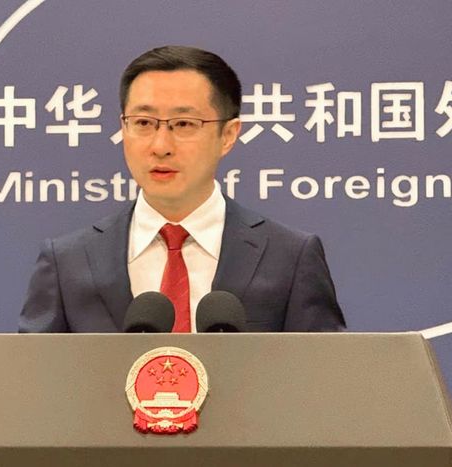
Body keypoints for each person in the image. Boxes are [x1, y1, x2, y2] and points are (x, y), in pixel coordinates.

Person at [19, 45, 345, 333]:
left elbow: (325, 375)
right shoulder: (67, 262)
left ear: (228, 135)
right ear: (123, 128)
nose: (160, 146)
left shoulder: (289, 257)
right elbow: (31, 377)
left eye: (184, 124)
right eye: (143, 123)